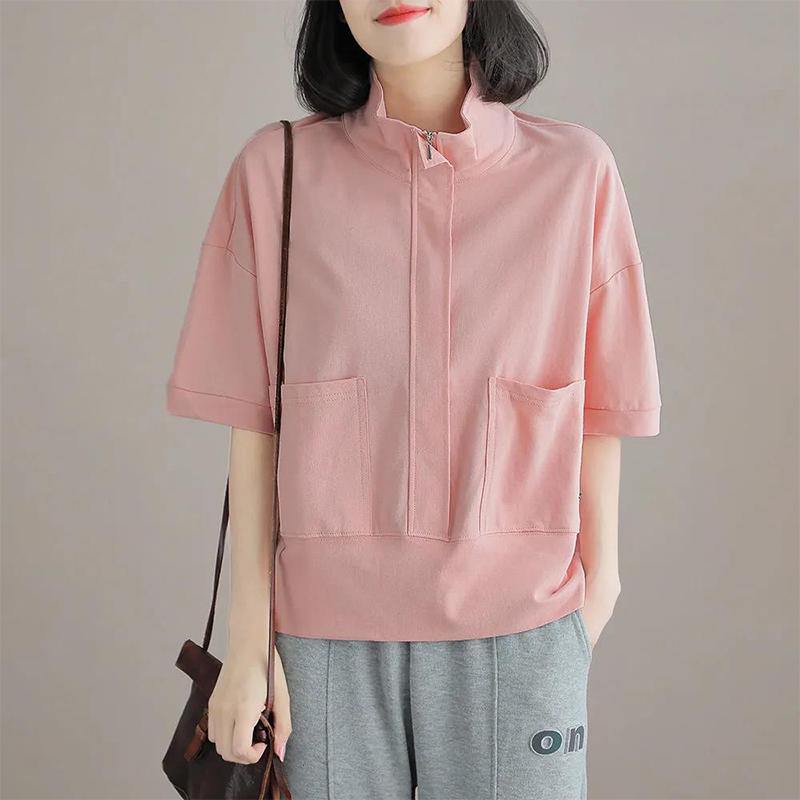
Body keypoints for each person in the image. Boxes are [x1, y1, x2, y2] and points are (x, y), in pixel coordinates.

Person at [165, 1, 662, 797]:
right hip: (318, 646)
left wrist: (597, 588)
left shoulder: (576, 174)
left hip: (523, 632)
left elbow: (603, 405)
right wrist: (249, 647)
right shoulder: (276, 172)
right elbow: (255, 427)